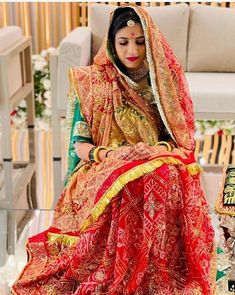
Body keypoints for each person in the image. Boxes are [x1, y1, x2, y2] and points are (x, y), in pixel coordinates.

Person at [12, 4, 216, 295]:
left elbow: (178, 139)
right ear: (111, 43)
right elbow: (81, 146)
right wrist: (107, 155)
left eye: (139, 41)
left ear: (150, 42)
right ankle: (120, 268)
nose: (131, 49)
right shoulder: (93, 82)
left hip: (154, 157)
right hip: (103, 163)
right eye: (123, 42)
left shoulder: (160, 83)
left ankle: (157, 269)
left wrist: (151, 152)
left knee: (167, 174)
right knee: (129, 185)